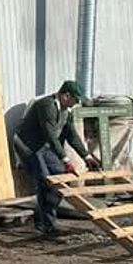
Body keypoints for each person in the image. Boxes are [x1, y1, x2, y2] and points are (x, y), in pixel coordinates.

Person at [15, 79, 101, 236]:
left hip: (43, 146)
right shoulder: (46, 106)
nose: (76, 103)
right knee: (45, 181)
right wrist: (65, 159)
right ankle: (46, 225)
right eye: (75, 99)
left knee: (62, 176)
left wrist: (87, 156)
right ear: (66, 96)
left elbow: (71, 135)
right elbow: (50, 136)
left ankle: (44, 219)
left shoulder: (66, 112)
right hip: (28, 145)